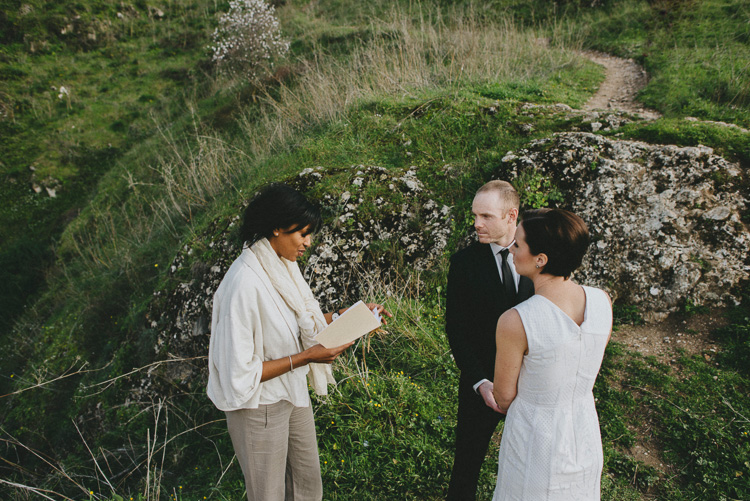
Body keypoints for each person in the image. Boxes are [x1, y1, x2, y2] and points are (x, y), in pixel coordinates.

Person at [206, 183, 390, 501]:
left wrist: (345, 316)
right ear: (277, 227)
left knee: (307, 488)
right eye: (302, 233)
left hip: (292, 394)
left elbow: (297, 325)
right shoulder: (244, 284)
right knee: (268, 495)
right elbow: (239, 373)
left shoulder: (283, 268)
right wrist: (306, 357)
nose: (308, 243)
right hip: (258, 407)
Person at [492, 208, 613, 500]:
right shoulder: (601, 301)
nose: (510, 249)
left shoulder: (516, 320)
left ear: (540, 260)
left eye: (518, 244)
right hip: (583, 429)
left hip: (535, 438)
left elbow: (504, 396)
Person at [445, 180, 535, 500]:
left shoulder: (538, 258)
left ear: (511, 216)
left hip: (531, 385)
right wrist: (481, 382)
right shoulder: (464, 264)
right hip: (480, 383)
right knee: (465, 467)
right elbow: (456, 329)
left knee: (528, 465)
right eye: (474, 215)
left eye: (485, 216)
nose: (476, 224)